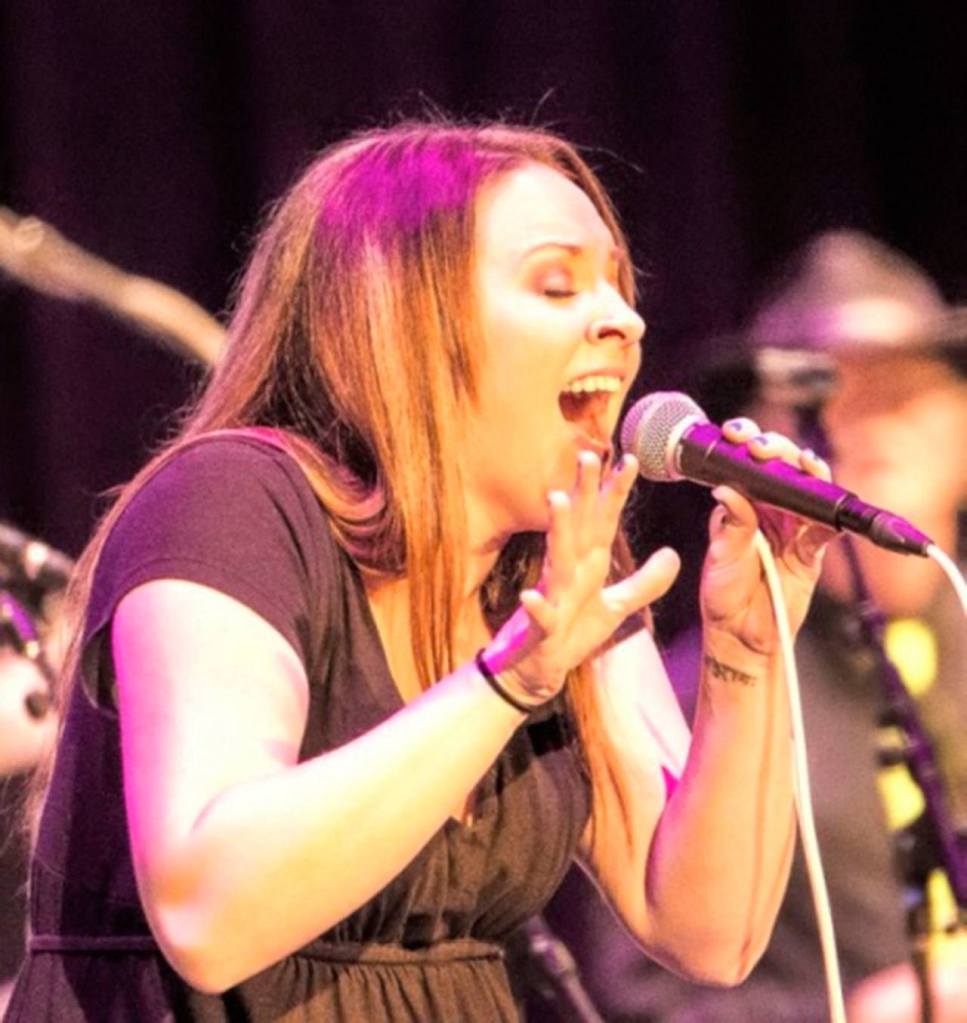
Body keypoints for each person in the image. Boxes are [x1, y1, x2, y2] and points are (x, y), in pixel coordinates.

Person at [3, 120, 832, 1022]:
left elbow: (709, 931)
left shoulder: (558, 560)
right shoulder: (231, 502)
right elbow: (208, 916)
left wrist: (747, 650)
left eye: (619, 287)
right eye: (557, 284)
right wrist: (511, 679)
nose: (624, 320)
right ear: (403, 322)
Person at [568, 230, 967, 1022]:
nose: (866, 426)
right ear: (761, 440)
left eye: (899, 391)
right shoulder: (702, 693)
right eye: (823, 397)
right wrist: (858, 1013)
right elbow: (644, 997)